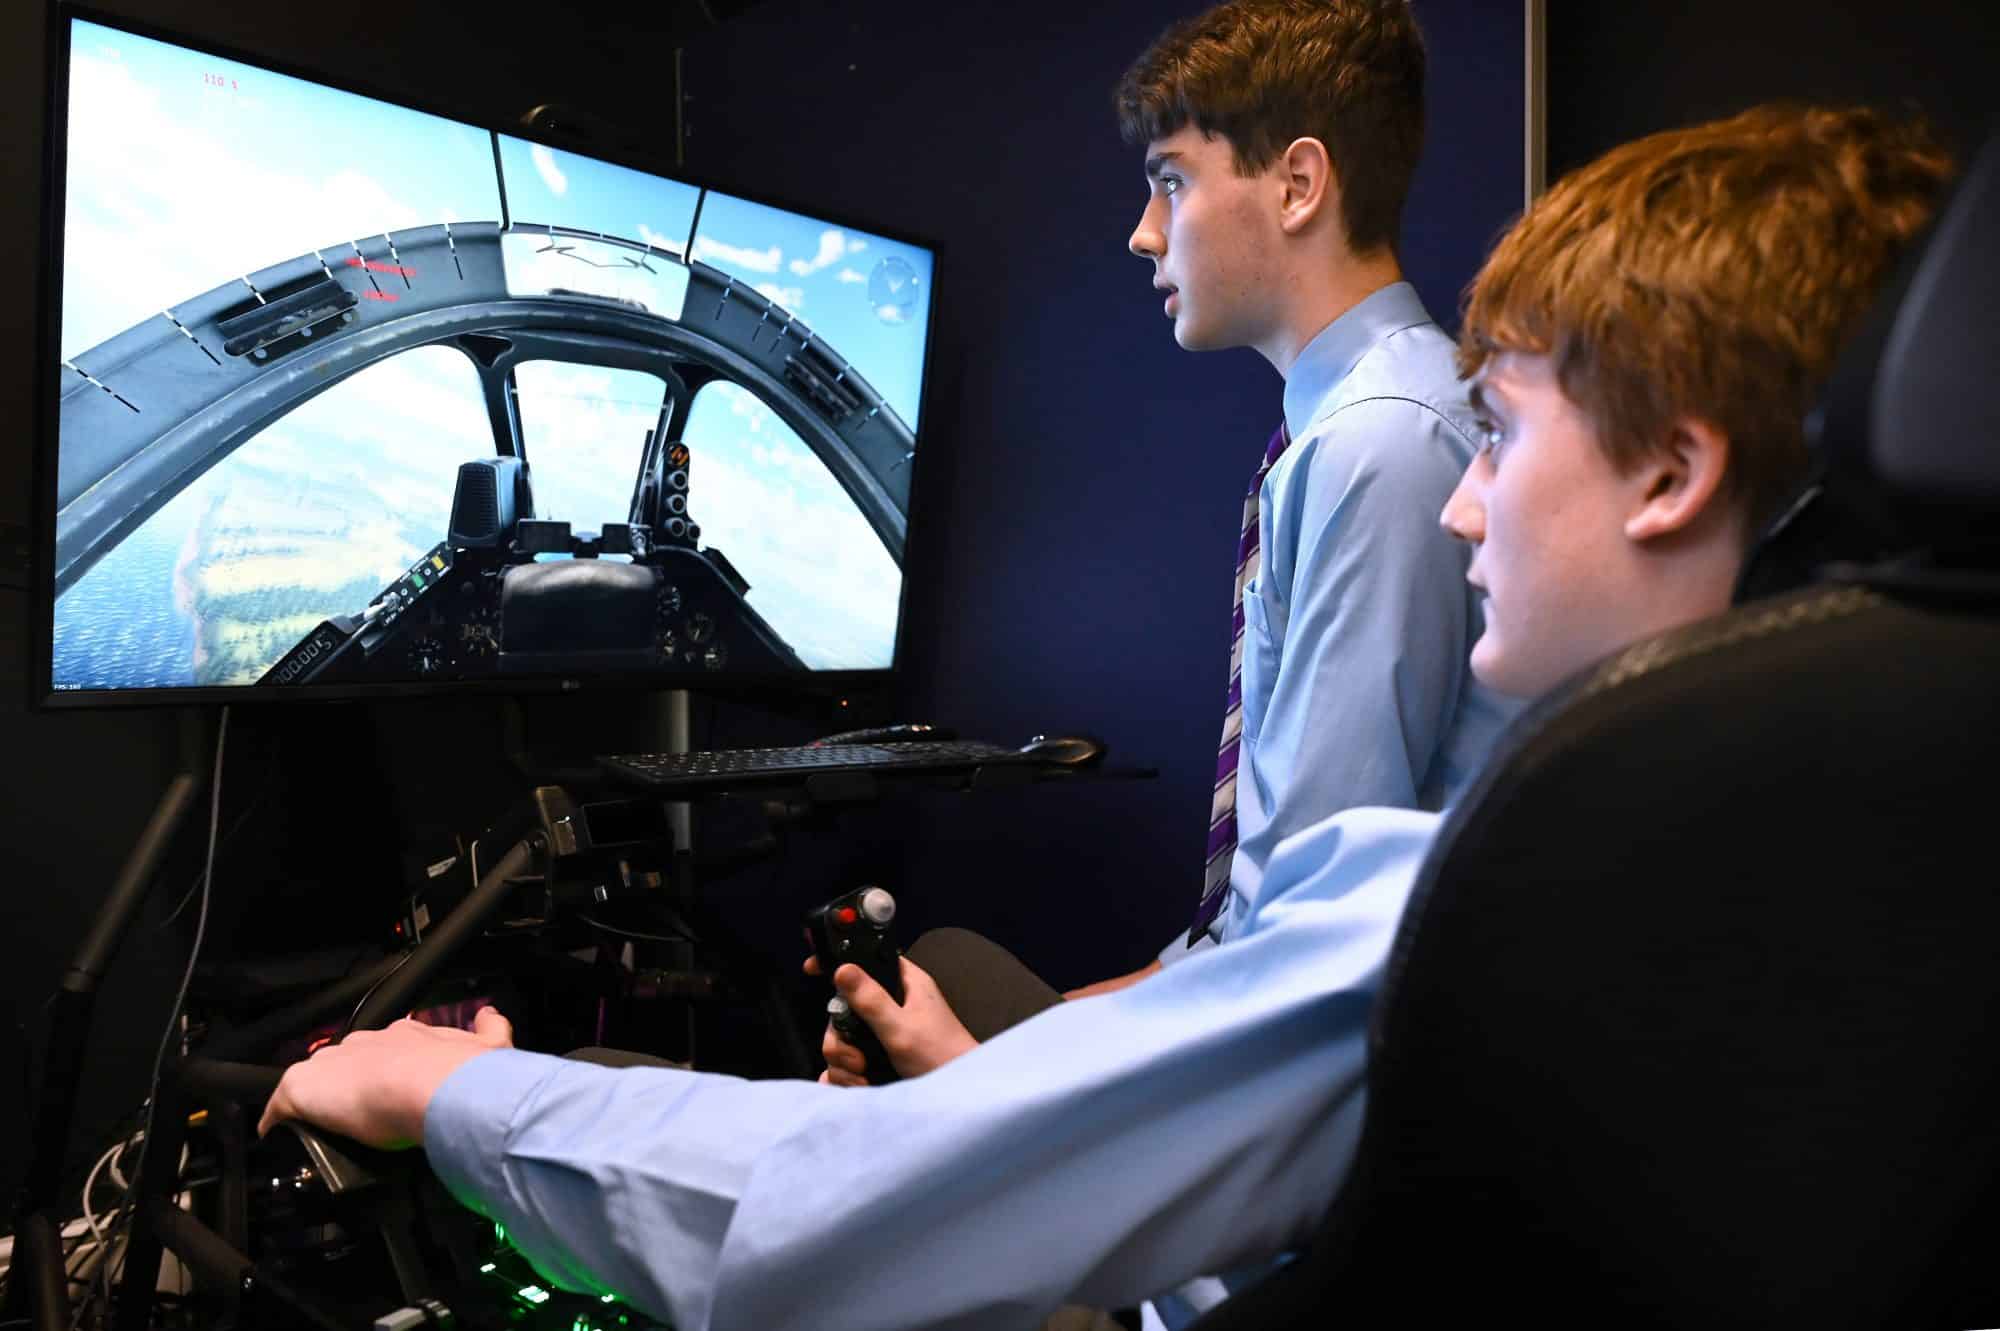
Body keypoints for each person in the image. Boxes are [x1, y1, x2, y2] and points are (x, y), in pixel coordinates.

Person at [258, 104, 1954, 1331]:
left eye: (1502, 431)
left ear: (1671, 472)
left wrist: (451, 1088)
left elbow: (809, 1219)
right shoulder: (1880, 817)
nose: (1461, 501)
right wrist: (1025, 1101)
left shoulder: (1498, 891)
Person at [812, 0, 1515, 1095]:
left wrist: (975, 1085)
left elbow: (1300, 959)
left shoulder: (1378, 447)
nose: (1145, 231)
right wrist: (1041, 1040)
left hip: (1296, 1095)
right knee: (941, 971)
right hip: (1266, 1009)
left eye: (1172, 181)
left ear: (1298, 184)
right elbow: (1250, 928)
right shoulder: (1363, 423)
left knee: (899, 1055)